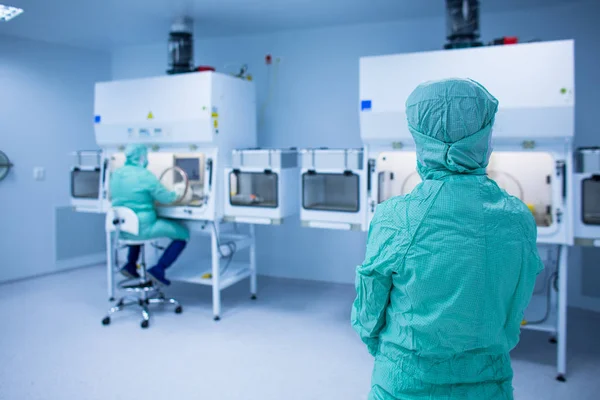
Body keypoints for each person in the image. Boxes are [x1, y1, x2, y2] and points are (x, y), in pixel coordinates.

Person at [351, 78, 544, 400]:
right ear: (484, 136)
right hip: (488, 381)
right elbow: (514, 308)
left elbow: (369, 313)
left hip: (404, 381)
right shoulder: (518, 217)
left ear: (419, 139)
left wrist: (392, 353)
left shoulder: (395, 217)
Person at [110, 144, 190, 286]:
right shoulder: (144, 175)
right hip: (143, 228)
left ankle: (130, 264)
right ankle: (159, 269)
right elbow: (167, 198)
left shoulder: (116, 173)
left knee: (135, 229)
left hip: (123, 229)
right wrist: (179, 190)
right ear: (142, 157)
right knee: (183, 234)